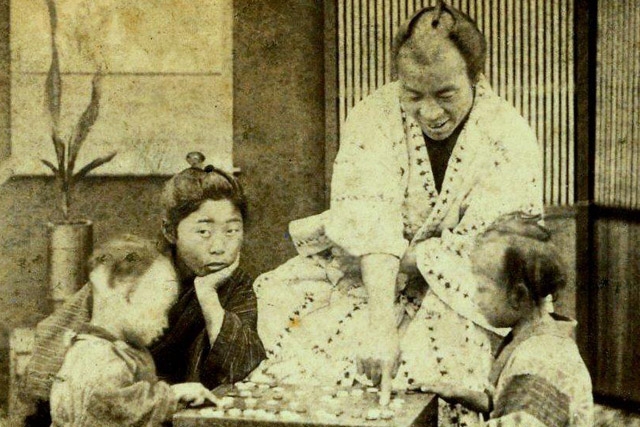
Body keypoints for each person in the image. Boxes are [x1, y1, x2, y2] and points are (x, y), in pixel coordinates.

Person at [253, 3, 543, 425]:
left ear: (475, 77)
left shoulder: (509, 134)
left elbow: (493, 246)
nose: (429, 112)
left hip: (466, 286)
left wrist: (408, 258)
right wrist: (380, 324)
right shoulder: (373, 114)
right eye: (412, 95)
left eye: (445, 95)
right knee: (301, 324)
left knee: (441, 362)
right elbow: (369, 220)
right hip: (371, 277)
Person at [23, 154, 265, 424]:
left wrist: (208, 294)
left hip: (181, 409)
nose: (219, 246)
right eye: (204, 232)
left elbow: (240, 370)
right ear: (170, 231)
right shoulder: (138, 273)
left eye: (232, 231)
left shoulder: (237, 285)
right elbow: (56, 354)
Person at [419, 213, 594, 426]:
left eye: (482, 289)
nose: (475, 297)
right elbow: (512, 403)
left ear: (517, 295)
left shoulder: (536, 359)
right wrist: (462, 394)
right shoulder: (535, 336)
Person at [50, 235, 217, 426]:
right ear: (125, 296)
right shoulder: (97, 358)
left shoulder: (114, 349)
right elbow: (118, 409)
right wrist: (172, 396)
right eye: (159, 311)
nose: (164, 323)